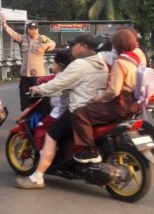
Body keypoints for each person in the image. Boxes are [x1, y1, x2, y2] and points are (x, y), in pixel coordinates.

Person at [15, 34, 108, 189]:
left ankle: (37, 177)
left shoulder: (80, 65)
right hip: (93, 108)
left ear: (83, 47)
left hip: (77, 109)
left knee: (51, 135)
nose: (71, 48)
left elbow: (57, 84)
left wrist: (38, 89)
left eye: (74, 45)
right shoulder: (101, 63)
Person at [71, 27, 145, 163]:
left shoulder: (120, 63)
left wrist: (99, 98)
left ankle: (90, 151)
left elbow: (113, 92)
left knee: (79, 114)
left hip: (119, 105)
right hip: (134, 104)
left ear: (116, 45)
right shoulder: (137, 59)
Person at [1, 15, 56, 110]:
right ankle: (24, 115)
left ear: (38, 29)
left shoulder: (42, 38)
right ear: (28, 30)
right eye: (31, 29)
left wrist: (46, 45)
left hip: (38, 75)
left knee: (38, 96)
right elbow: (13, 34)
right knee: (23, 97)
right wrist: (4, 24)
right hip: (25, 74)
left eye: (35, 28)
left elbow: (53, 44)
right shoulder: (23, 38)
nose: (33, 31)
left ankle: (36, 115)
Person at [33, 49, 74, 150]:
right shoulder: (70, 75)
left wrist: (37, 89)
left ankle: (44, 158)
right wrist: (39, 80)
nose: (52, 64)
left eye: (53, 62)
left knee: (40, 130)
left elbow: (51, 86)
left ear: (58, 65)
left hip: (59, 112)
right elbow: (49, 79)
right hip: (71, 111)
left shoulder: (60, 78)